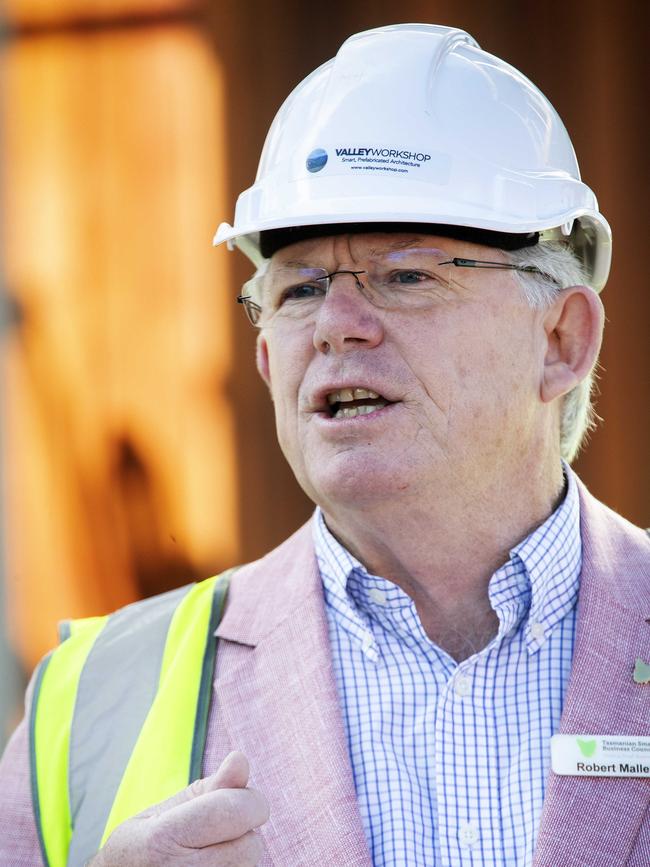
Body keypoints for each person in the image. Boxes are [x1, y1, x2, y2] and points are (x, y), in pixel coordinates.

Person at [1, 22, 649, 867]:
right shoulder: (86, 704)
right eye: (300, 289)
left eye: (408, 273)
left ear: (562, 339)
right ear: (267, 356)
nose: (339, 325)